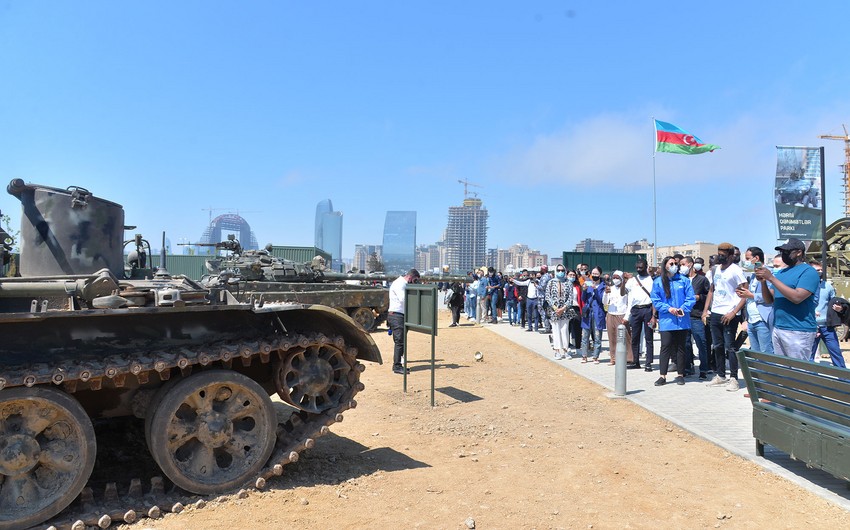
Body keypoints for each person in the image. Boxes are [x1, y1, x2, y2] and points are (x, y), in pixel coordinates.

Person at [755, 238, 819, 361]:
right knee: (783, 371)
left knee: (799, 372)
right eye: (782, 251)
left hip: (799, 330)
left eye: (787, 251)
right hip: (779, 327)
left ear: (799, 252)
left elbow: (797, 297)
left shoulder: (808, 271)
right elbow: (769, 300)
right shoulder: (782, 273)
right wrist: (763, 282)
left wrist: (771, 278)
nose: (784, 254)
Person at [703, 242, 748, 391]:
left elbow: (745, 294)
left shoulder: (736, 270)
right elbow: (711, 291)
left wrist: (734, 312)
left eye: (723, 254)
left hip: (729, 314)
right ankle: (721, 375)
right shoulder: (716, 270)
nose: (720, 257)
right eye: (718, 254)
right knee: (717, 346)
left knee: (731, 347)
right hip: (715, 312)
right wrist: (705, 311)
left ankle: (734, 378)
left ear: (730, 255)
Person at [650, 256, 695, 386]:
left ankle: (680, 374)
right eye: (671, 263)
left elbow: (690, 298)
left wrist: (683, 309)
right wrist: (668, 309)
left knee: (681, 347)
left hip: (682, 320)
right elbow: (656, 300)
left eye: (676, 263)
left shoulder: (684, 280)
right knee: (666, 346)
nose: (675, 265)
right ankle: (662, 376)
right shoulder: (658, 282)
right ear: (665, 266)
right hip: (667, 321)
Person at [734, 247, 774, 354]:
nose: (746, 262)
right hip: (751, 320)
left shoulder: (769, 274)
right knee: (756, 353)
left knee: (766, 352)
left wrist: (751, 295)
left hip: (762, 319)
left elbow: (769, 296)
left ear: (756, 258)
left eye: (748, 258)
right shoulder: (752, 275)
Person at [807, 260, 846, 367]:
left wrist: (839, 308)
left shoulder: (828, 286)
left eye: (821, 270)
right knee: (809, 355)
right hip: (811, 326)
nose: (820, 272)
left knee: (836, 352)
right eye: (817, 270)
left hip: (827, 326)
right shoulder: (804, 286)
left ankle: (843, 378)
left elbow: (834, 302)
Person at [681, 256, 710, 379]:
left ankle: (704, 369)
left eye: (683, 264)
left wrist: (699, 297)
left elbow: (709, 295)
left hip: (696, 316)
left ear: (690, 264)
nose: (680, 267)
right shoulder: (681, 280)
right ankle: (688, 367)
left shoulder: (702, 280)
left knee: (701, 343)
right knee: (686, 344)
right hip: (684, 316)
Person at [624, 259, 655, 371]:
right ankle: (635, 361)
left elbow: (654, 299)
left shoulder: (651, 280)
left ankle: (648, 363)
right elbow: (623, 292)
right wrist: (623, 280)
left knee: (648, 337)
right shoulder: (632, 280)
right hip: (635, 311)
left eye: (641, 268)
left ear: (646, 266)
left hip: (647, 310)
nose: (638, 270)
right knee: (635, 337)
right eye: (637, 268)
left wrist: (654, 316)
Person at [387, 268, 421, 375]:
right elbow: (403, 299)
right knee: (400, 342)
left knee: (401, 341)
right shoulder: (400, 284)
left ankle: (399, 363)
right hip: (397, 315)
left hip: (399, 315)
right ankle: (397, 366)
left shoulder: (402, 283)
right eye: (415, 280)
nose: (414, 282)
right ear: (410, 277)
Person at [603, 270, 633, 366]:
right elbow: (605, 302)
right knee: (612, 337)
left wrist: (627, 316)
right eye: (614, 277)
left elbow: (629, 304)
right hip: (611, 314)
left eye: (617, 278)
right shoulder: (610, 288)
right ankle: (613, 358)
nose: (615, 279)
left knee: (625, 337)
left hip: (622, 315)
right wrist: (605, 293)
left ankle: (629, 358)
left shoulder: (626, 289)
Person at [546, 265, 576, 360]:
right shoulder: (551, 282)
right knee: (556, 331)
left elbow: (570, 298)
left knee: (565, 331)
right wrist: (555, 308)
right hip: (554, 311)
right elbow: (547, 296)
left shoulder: (568, 283)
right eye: (558, 270)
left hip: (565, 311)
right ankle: (557, 351)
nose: (560, 272)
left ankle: (566, 350)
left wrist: (563, 308)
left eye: (562, 270)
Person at [580, 266, 607, 363]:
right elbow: (584, 299)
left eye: (596, 274)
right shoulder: (588, 283)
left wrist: (596, 289)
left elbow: (602, 300)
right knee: (585, 335)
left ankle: (596, 356)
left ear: (600, 275)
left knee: (597, 335)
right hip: (588, 312)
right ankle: (584, 355)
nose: (594, 276)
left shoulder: (603, 286)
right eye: (593, 274)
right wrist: (584, 290)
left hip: (598, 312)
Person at [538, 265, 553, 333]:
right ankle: (548, 327)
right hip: (545, 297)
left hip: (543, 297)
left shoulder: (545, 277)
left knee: (543, 312)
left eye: (541, 269)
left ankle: (547, 328)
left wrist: (536, 285)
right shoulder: (548, 276)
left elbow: (542, 287)